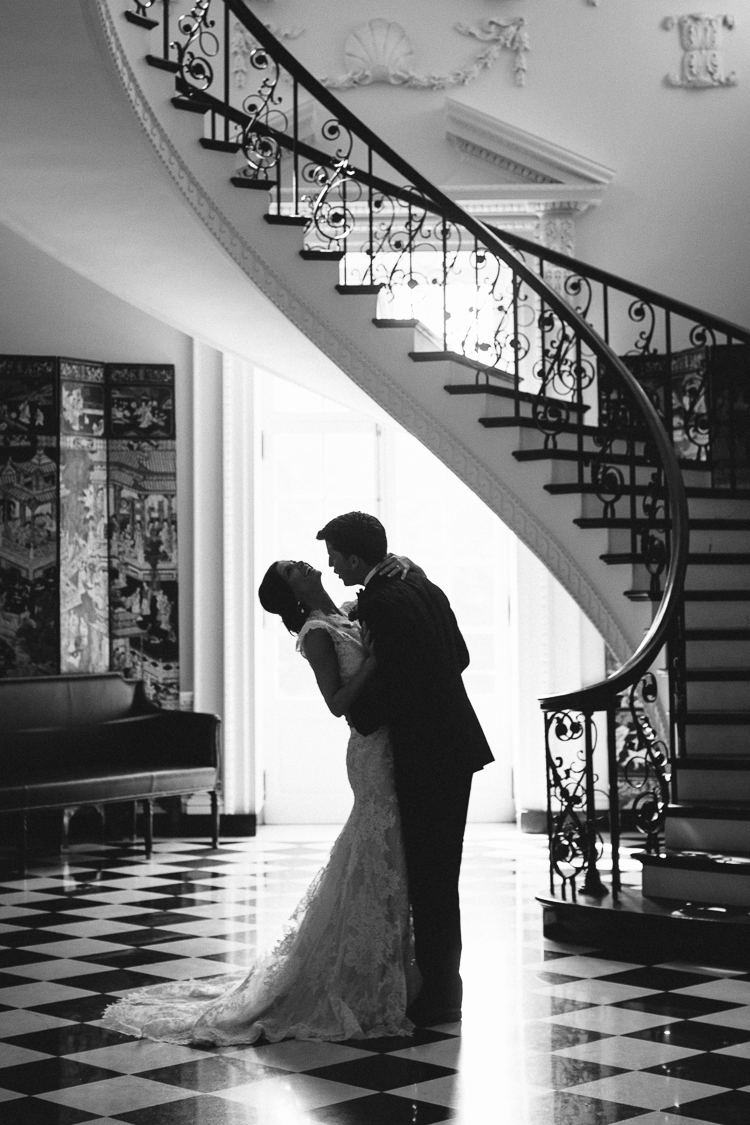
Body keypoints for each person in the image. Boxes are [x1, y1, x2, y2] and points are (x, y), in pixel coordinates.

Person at [101, 557, 419, 1045]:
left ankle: (389, 963)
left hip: (393, 743)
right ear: (292, 593)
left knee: (387, 850)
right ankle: (363, 972)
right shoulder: (316, 632)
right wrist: (375, 662)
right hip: (369, 749)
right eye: (293, 568)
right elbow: (337, 703)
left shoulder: (347, 612)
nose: (306, 564)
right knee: (376, 847)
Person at [317, 512, 494, 1027]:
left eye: (334, 556)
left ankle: (438, 995)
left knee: (429, 876)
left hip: (426, 751)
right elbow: (459, 654)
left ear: (354, 557)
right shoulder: (421, 583)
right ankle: (446, 987)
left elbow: (392, 681)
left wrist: (361, 716)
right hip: (456, 745)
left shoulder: (379, 600)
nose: (330, 565)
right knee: (443, 873)